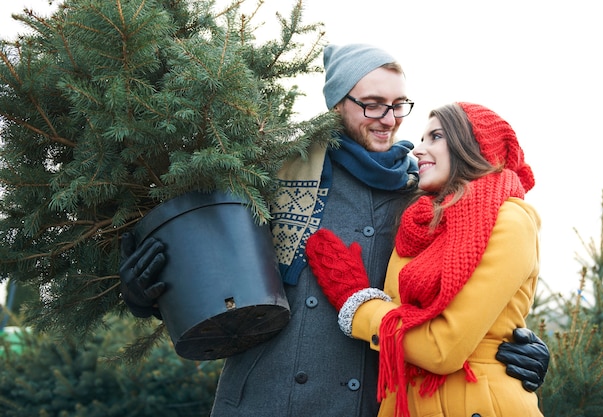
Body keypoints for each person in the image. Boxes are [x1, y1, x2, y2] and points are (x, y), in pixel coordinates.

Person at [119, 44, 549, 417]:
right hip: (264, 398)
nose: (389, 119)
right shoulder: (275, 173)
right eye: (372, 104)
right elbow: (211, 271)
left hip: (365, 404)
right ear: (336, 104)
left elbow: (472, 287)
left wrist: (518, 345)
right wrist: (148, 295)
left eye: (399, 105)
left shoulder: (423, 200)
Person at [305, 102, 544, 416]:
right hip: (406, 402)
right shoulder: (418, 223)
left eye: (436, 137)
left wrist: (357, 304)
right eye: (421, 138)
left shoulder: (509, 220)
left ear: (472, 146)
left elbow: (443, 349)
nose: (418, 149)